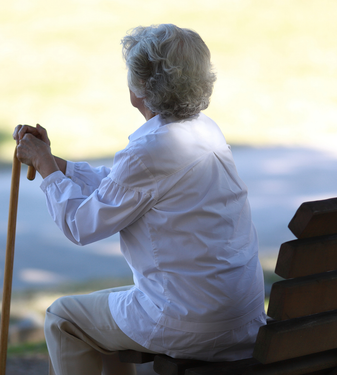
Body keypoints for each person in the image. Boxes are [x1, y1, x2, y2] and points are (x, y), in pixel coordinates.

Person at [13, 24, 266, 375]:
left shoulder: (150, 151)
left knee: (62, 318)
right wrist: (54, 162)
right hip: (239, 316)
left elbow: (81, 225)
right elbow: (123, 187)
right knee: (111, 310)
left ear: (142, 87)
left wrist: (44, 168)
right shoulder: (206, 130)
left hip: (194, 323)